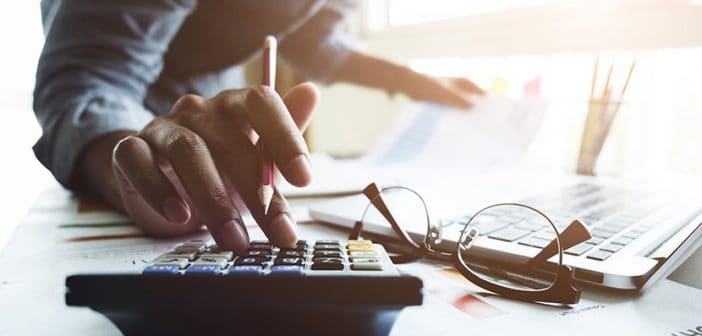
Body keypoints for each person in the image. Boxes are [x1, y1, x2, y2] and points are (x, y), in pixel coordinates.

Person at [33, 0, 484, 255]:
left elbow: (315, 38)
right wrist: (130, 161)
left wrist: (405, 79)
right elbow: (88, 76)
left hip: (215, 140)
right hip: (148, 141)